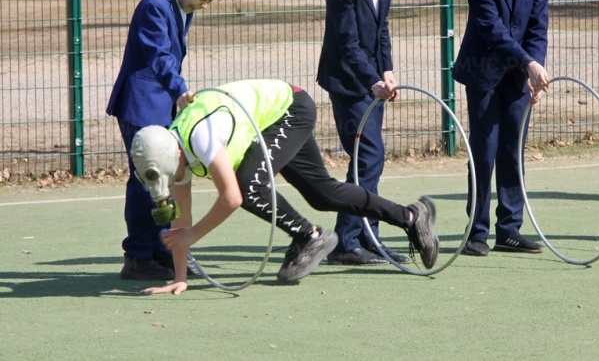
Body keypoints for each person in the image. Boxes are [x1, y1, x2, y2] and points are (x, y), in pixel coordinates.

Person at [131, 79, 439, 295]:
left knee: (249, 187)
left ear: (176, 156)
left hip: (290, 108)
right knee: (323, 193)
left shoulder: (200, 136)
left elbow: (232, 198)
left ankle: (311, 237)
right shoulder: (173, 151)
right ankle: (412, 217)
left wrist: (194, 234)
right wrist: (180, 277)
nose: (177, 179)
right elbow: (180, 220)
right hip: (267, 120)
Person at [107, 0, 227, 280]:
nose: (202, 7)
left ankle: (162, 250)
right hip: (140, 103)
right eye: (201, 0)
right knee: (146, 180)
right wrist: (180, 90)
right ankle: (137, 256)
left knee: (166, 176)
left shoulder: (179, 4)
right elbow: (159, 56)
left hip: (158, 104)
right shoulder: (155, 5)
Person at [452, 0, 550, 257]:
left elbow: (538, 25)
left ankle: (509, 229)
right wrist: (528, 63)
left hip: (519, 75)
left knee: (513, 149)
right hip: (483, 71)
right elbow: (490, 27)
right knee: (484, 150)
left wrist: (534, 68)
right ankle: (476, 232)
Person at [317, 0, 405, 266]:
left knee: (369, 160)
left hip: (373, 82)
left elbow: (382, 26)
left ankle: (368, 239)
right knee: (368, 157)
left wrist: (387, 69)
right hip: (348, 84)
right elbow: (348, 45)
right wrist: (373, 80)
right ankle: (345, 243)